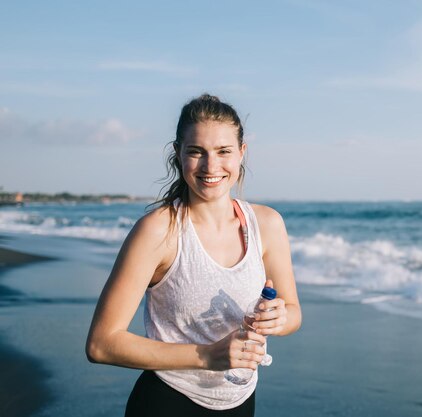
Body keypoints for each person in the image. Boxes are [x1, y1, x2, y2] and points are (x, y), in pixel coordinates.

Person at [86, 94, 302, 416]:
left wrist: (279, 318)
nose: (211, 166)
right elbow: (101, 344)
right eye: (197, 152)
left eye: (223, 151)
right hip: (167, 401)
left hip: (240, 403)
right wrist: (205, 356)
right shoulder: (158, 231)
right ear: (178, 153)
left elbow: (294, 313)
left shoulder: (267, 225)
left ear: (242, 153)